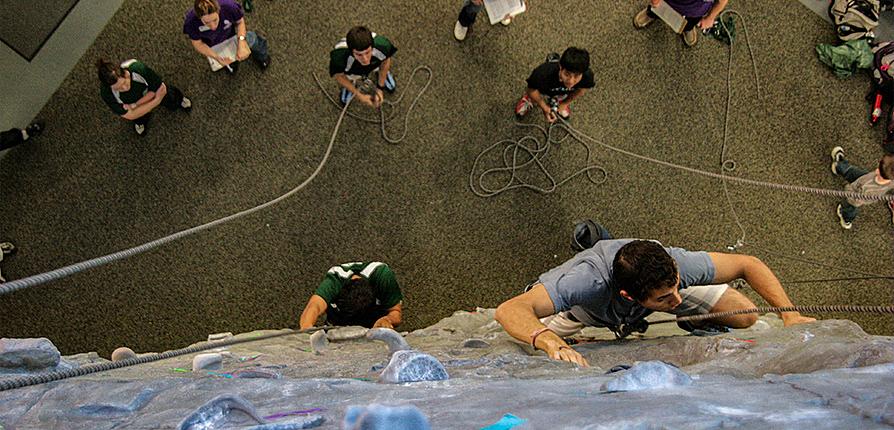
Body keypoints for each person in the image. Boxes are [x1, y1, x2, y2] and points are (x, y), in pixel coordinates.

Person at [494, 237, 816, 367]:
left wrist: (790, 315)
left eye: (677, 287)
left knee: (745, 314)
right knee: (530, 345)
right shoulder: (585, 283)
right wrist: (550, 342)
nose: (676, 299)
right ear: (629, 297)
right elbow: (511, 309)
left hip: (641, 294)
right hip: (584, 312)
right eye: (666, 297)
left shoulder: (676, 266)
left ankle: (691, 322)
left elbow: (748, 263)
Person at [97, 59, 192, 136]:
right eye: (119, 88)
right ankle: (141, 122)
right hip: (138, 102)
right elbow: (130, 115)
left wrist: (135, 106)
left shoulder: (137, 68)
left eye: (124, 83)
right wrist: (156, 100)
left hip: (144, 95)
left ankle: (179, 101)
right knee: (139, 117)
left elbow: (158, 89)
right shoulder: (107, 93)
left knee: (170, 95)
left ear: (125, 74)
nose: (125, 88)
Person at [299, 262, 403, 330]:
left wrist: (387, 320)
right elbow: (314, 306)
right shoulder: (335, 281)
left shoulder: (383, 277)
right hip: (339, 326)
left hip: (374, 325)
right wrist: (306, 330)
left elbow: (395, 312)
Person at [183, 0, 270, 74]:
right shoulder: (191, 22)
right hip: (213, 44)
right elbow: (198, 43)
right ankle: (232, 64)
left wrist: (242, 41)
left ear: (218, 10)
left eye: (215, 20)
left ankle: (263, 56)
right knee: (227, 58)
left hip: (232, 35)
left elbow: (240, 22)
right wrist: (217, 58)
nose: (213, 27)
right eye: (207, 23)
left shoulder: (230, 7)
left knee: (252, 39)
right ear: (199, 17)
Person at [515, 47, 595, 123]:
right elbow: (531, 90)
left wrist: (565, 103)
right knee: (533, 94)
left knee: (562, 95)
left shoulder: (587, 76)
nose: (571, 82)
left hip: (562, 92)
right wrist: (544, 107)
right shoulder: (542, 73)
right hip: (544, 88)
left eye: (576, 76)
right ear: (560, 67)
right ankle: (529, 100)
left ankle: (558, 101)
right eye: (567, 74)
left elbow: (581, 90)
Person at [329, 26, 397, 108]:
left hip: (375, 63)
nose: (365, 59)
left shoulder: (382, 46)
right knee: (349, 76)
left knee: (380, 64)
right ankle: (351, 84)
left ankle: (382, 75)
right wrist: (359, 96)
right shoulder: (340, 58)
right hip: (352, 69)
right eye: (359, 54)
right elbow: (339, 76)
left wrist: (380, 88)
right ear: (351, 52)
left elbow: (385, 62)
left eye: (367, 52)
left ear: (372, 47)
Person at [830, 146, 894, 229]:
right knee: (853, 172)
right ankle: (839, 166)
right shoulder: (890, 179)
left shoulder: (869, 189)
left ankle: (845, 218)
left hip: (856, 195)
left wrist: (848, 189)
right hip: (866, 178)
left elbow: (856, 199)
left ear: (878, 171)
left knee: (850, 208)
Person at [633, 0, 729, 47]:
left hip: (694, 11)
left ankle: (687, 28)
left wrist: (710, 17)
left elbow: (722, 1)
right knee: (657, 9)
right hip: (667, 2)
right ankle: (651, 13)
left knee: (689, 23)